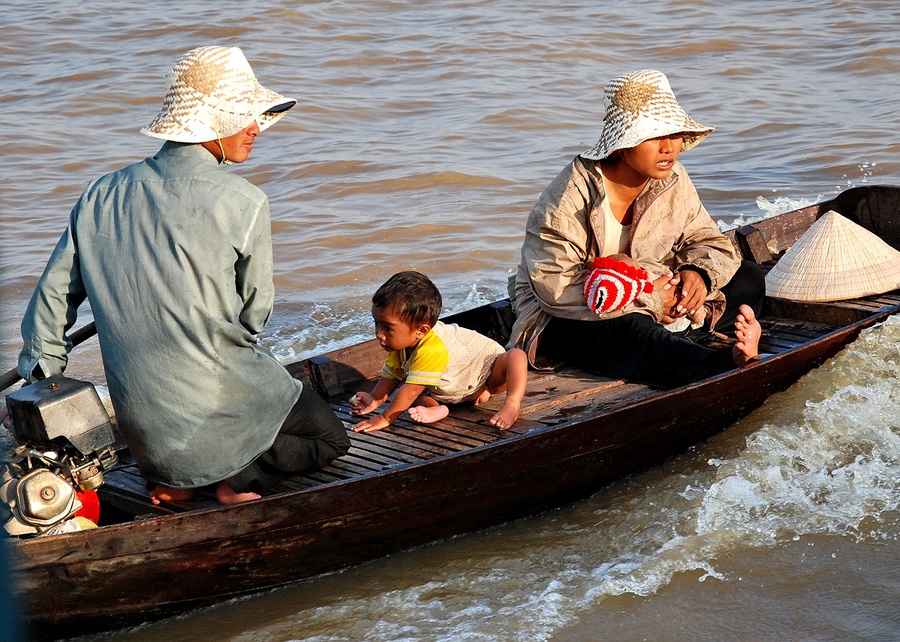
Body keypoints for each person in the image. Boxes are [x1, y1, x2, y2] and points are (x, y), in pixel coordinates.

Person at [17, 46, 350, 505]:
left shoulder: (99, 194)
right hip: (221, 391)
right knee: (331, 438)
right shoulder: (244, 200)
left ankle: (182, 482)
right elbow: (254, 317)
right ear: (211, 123)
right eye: (245, 116)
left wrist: (41, 374)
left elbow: (52, 304)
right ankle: (235, 483)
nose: (256, 128)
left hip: (147, 435)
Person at [508, 69, 764, 389]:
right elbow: (555, 289)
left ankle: (673, 332)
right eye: (655, 135)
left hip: (653, 291)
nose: (669, 147)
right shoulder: (568, 196)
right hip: (572, 317)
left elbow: (710, 242)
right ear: (620, 147)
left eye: (674, 134)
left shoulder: (673, 179)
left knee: (750, 278)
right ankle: (724, 363)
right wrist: (653, 298)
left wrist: (697, 275)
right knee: (631, 328)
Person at [350, 271, 528, 432]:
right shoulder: (399, 345)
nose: (379, 334)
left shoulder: (433, 347)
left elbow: (411, 390)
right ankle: (437, 408)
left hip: (485, 378)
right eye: (376, 324)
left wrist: (384, 418)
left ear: (422, 330)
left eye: (387, 329)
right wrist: (374, 400)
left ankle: (512, 404)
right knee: (408, 396)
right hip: (451, 389)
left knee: (516, 355)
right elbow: (391, 377)